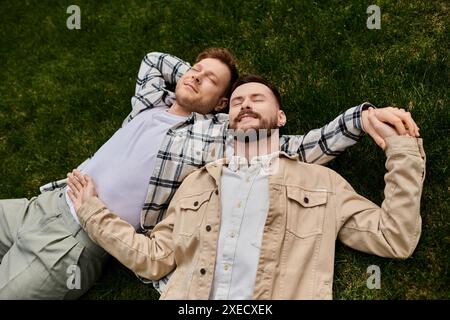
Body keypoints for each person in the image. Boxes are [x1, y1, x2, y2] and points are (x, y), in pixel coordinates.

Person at [0, 47, 419, 299]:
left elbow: (306, 144)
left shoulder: (218, 139)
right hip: (42, 203)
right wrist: (199, 76)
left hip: (74, 239)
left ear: (221, 108)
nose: (196, 77)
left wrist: (360, 119)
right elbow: (152, 61)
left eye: (212, 82)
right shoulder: (148, 105)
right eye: (194, 72)